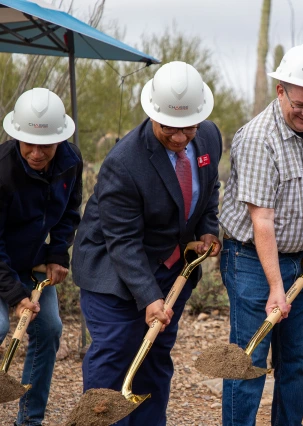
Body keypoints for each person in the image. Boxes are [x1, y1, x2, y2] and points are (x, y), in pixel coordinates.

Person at [71, 61, 222, 426]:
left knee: (155, 355)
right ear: (153, 112)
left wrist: (207, 227)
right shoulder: (124, 163)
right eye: (170, 126)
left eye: (189, 127)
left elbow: (208, 189)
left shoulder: (210, 137)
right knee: (116, 354)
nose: (181, 137)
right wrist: (149, 296)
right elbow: (122, 241)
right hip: (113, 270)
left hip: (171, 267)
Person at [219, 43, 303, 425]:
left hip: (301, 260)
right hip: (252, 262)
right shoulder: (258, 138)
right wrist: (276, 285)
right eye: (299, 105)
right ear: (280, 90)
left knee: (295, 363)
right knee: (249, 361)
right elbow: (262, 220)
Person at [0, 88, 82, 426]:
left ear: (59, 139)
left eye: (45, 145)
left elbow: (69, 212)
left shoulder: (70, 161)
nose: (36, 153)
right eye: (28, 144)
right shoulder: (2, 171)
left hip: (33, 263)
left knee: (49, 328)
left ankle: (30, 419)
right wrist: (17, 297)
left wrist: (57, 253)